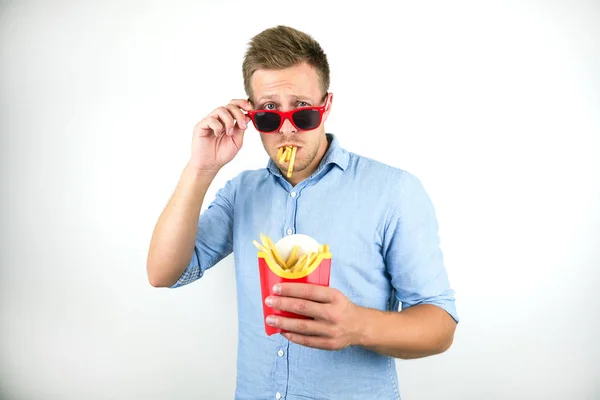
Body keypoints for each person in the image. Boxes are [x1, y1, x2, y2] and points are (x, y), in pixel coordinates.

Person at [146, 25, 459, 400]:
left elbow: (440, 326)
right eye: (269, 114)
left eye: (303, 112)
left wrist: (358, 326)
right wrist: (201, 168)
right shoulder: (240, 193)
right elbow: (164, 273)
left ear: (326, 106)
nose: (288, 129)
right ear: (250, 115)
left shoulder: (393, 191)